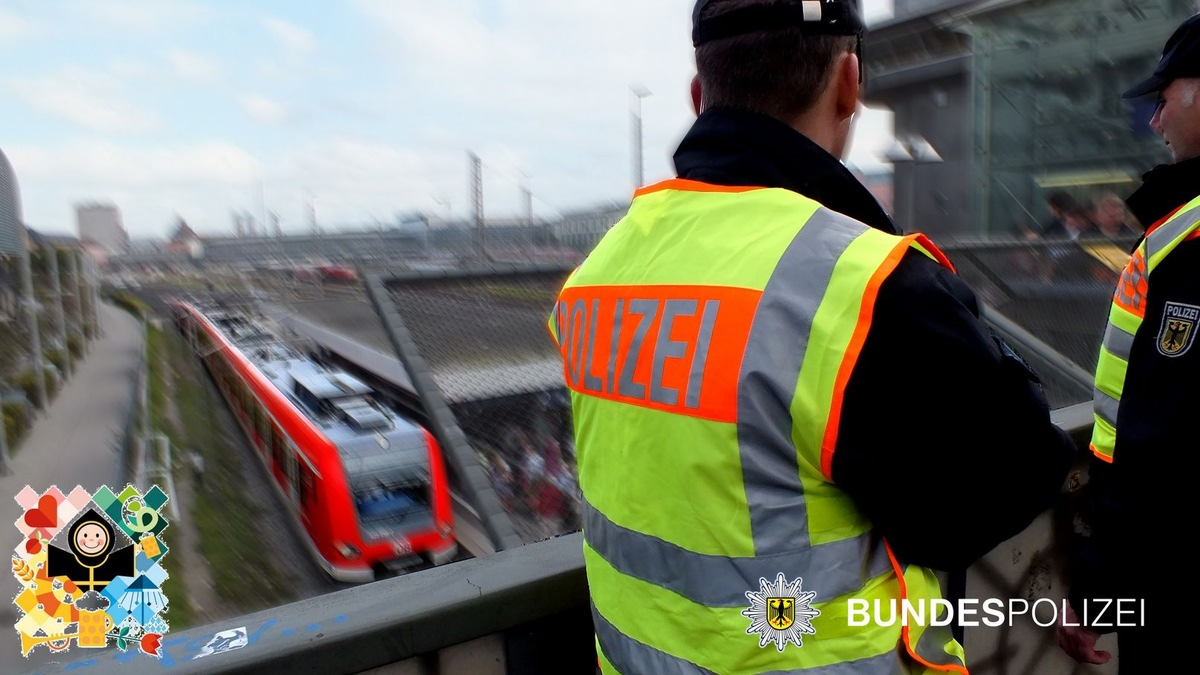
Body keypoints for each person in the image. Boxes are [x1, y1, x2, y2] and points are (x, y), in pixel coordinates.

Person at [549, 1, 1076, 672]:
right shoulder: (863, 283)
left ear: (698, 96)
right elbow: (1013, 476)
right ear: (850, 82)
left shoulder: (597, 276)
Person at [1057, 13, 1200, 673]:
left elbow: (1160, 443)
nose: (1154, 119)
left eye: (1163, 97)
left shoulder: (1187, 247)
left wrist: (1092, 591)